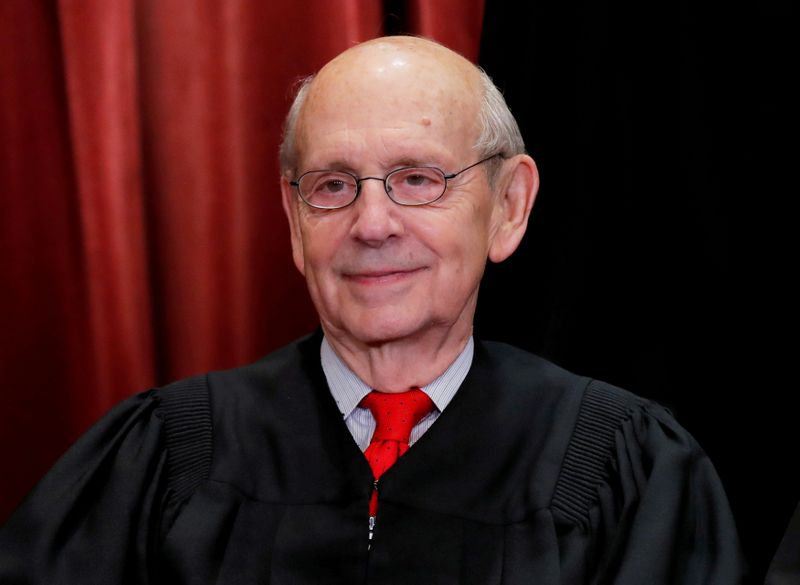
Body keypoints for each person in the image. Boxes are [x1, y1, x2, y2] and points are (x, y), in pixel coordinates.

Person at [0, 35, 747, 584]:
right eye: (332, 185)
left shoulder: (626, 469)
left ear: (508, 207)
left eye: (417, 179)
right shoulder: (166, 456)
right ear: (294, 224)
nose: (373, 223)